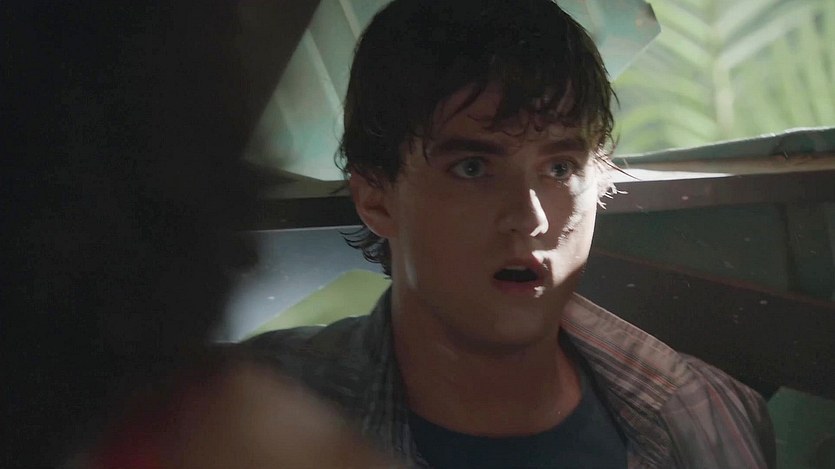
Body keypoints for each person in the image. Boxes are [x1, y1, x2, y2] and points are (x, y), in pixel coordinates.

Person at [244, 1, 777, 468]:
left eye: (560, 168)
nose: (530, 216)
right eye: (473, 168)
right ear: (376, 197)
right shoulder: (251, 413)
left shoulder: (705, 414)